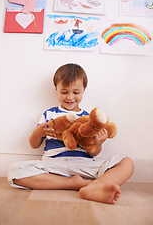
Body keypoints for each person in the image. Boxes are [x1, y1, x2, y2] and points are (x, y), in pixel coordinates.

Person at [8, 63, 134, 204]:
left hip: (84, 164)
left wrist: (99, 143)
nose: (70, 97)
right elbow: (34, 144)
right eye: (64, 92)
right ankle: (80, 184)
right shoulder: (49, 114)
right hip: (54, 165)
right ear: (56, 89)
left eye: (76, 92)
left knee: (126, 162)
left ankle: (97, 186)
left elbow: (93, 153)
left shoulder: (88, 118)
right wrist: (38, 132)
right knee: (15, 171)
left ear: (84, 90)